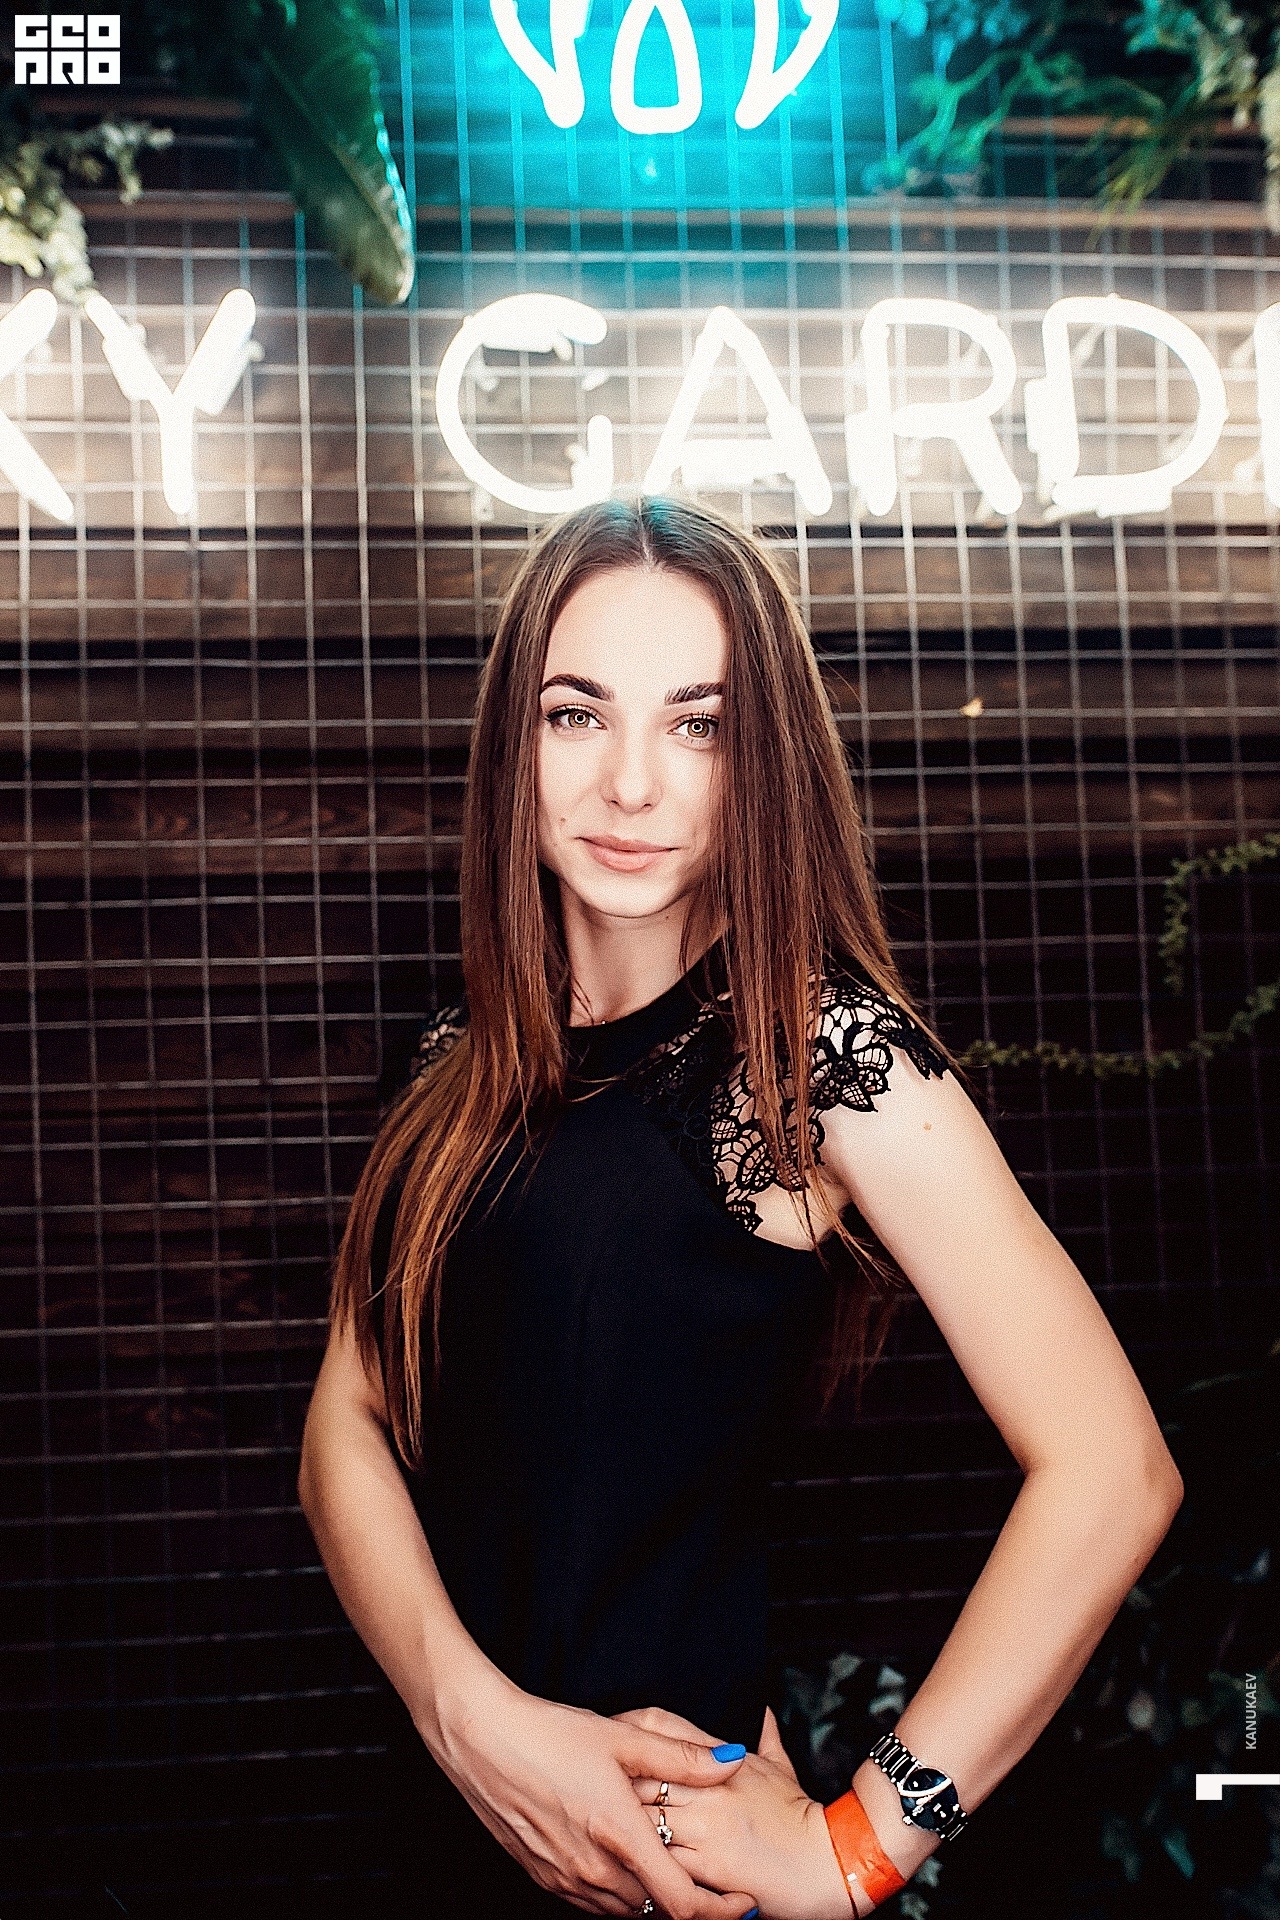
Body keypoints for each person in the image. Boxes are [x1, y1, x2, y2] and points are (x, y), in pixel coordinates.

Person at [296, 495, 1183, 1920]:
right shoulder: (457, 1055)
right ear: (514, 743)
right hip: (424, 1822)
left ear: (761, 760)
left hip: (669, 1873)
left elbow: (1114, 1472)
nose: (631, 784)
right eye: (577, 714)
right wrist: (476, 1724)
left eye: (697, 726)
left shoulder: (814, 1056)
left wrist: (856, 1851)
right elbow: (346, 1423)